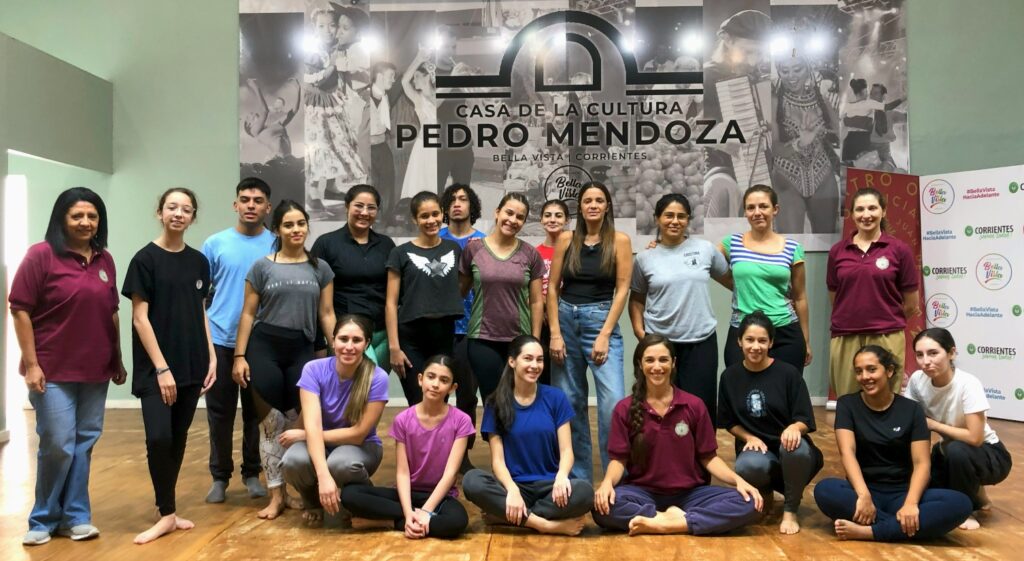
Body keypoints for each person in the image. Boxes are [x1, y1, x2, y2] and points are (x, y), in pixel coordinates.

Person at [11, 188, 126, 545]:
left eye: (92, 216)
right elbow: (19, 309)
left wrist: (118, 357)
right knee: (59, 442)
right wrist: (32, 365)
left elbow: (111, 312)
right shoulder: (41, 255)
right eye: (77, 215)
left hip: (96, 368)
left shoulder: (104, 259)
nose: (85, 222)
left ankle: (76, 517)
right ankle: (42, 519)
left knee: (83, 442)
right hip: (52, 369)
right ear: (61, 218)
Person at [592, 335, 762, 535]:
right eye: (650, 360)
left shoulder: (694, 405)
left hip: (690, 494)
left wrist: (738, 481)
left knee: (750, 502)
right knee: (600, 507)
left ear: (673, 363)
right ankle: (679, 519)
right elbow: (618, 460)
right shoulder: (624, 408)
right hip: (642, 493)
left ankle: (665, 523)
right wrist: (606, 483)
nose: (657, 367)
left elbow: (709, 458)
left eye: (663, 360)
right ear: (640, 364)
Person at [122, 188, 217, 544]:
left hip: (193, 362)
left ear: (193, 217)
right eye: (172, 207)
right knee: (159, 437)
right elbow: (140, 319)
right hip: (156, 368)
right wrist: (162, 369)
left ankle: (168, 511)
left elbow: (200, 311)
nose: (179, 214)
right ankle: (166, 513)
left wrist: (211, 356)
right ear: (160, 212)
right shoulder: (144, 259)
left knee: (178, 438)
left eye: (186, 209)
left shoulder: (199, 261)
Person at [232, 200, 336, 520]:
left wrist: (337, 351)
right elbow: (248, 314)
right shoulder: (261, 267)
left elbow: (327, 313)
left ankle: (299, 489)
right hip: (264, 347)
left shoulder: (320, 268)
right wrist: (239, 356)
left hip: (301, 349)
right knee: (270, 425)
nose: (296, 229)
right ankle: (277, 496)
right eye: (288, 225)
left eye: (301, 223)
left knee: (296, 423)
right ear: (277, 229)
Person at [814, 346, 973, 541]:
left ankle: (870, 531)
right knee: (824, 490)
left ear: (889, 371)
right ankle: (901, 527)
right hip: (863, 491)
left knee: (961, 503)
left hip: (903, 493)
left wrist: (911, 504)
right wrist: (864, 496)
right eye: (859, 371)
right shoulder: (848, 405)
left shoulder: (912, 409)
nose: (865, 377)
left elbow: (922, 463)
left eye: (872, 369)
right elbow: (848, 453)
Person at [463, 336, 594, 536]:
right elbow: (497, 461)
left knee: (584, 492)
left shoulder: (556, 398)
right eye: (528, 358)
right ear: (512, 361)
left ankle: (510, 517)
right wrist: (512, 490)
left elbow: (567, 451)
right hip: (513, 486)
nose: (535, 365)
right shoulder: (495, 403)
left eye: (539, 360)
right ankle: (543, 524)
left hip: (550, 486)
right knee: (472, 481)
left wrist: (562, 476)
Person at [547, 181, 633, 482]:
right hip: (565, 322)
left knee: (612, 403)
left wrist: (605, 334)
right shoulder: (566, 240)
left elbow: (622, 289)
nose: (593, 205)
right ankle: (579, 476)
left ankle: (615, 477)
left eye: (599, 200)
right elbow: (552, 289)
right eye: (587, 200)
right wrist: (555, 333)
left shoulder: (620, 241)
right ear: (580, 207)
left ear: (607, 206)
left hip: (600, 322)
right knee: (570, 401)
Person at [341, 355, 474, 538]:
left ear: (452, 388)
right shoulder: (403, 420)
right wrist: (408, 512)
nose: (435, 384)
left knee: (457, 521)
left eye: (444, 380)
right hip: (407, 493)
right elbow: (403, 473)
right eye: (431, 377)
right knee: (349, 494)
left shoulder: (461, 421)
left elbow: (450, 474)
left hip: (440, 496)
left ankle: (388, 522)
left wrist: (425, 511)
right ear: (420, 379)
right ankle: (410, 519)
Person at [201, 177, 275, 504]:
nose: (250, 205)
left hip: (260, 343)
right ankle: (219, 477)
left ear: (267, 207)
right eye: (245, 199)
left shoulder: (276, 244)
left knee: (255, 414)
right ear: (235, 204)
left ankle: (252, 473)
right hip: (220, 340)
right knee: (220, 413)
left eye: (258, 201)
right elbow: (200, 295)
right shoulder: (215, 244)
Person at [717, 312, 822, 535]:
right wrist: (749, 437)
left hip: (790, 449)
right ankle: (764, 492)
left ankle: (791, 509)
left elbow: (805, 418)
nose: (756, 346)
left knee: (794, 449)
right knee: (748, 466)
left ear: (771, 343)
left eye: (762, 340)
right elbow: (728, 421)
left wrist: (794, 428)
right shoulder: (729, 377)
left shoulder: (788, 374)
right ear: (739, 341)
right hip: (757, 450)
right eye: (750, 340)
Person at [281, 315, 389, 525]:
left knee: (340, 464)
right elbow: (312, 424)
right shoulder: (313, 369)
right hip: (320, 442)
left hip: (360, 447)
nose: (349, 346)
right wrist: (323, 477)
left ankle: (360, 500)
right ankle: (313, 502)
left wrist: (304, 435)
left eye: (356, 340)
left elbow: (358, 434)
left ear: (367, 344)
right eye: (343, 339)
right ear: (332, 341)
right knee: (292, 461)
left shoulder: (377, 377)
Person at [629, 194, 729, 419]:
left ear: (688, 219)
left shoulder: (705, 249)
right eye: (669, 215)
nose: (675, 221)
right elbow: (636, 299)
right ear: (657, 218)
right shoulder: (645, 257)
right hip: (660, 343)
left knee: (701, 407)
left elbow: (733, 281)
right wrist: (640, 333)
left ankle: (701, 444)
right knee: (659, 404)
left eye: (681, 216)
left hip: (701, 341)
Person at [906, 328, 1012, 530]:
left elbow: (975, 438)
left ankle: (964, 511)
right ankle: (978, 495)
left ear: (952, 353)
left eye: (933, 353)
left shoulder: (968, 383)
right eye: (920, 355)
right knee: (929, 489)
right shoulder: (917, 381)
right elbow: (912, 423)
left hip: (990, 454)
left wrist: (933, 425)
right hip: (948, 450)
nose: (925, 361)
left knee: (957, 450)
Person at [827, 187, 919, 397]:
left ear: (883, 211)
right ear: (852, 214)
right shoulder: (837, 251)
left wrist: (885, 319)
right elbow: (835, 297)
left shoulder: (899, 250)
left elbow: (911, 304)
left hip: (886, 335)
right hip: (845, 334)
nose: (866, 215)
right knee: (848, 399)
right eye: (860, 209)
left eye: (872, 208)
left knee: (885, 398)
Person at [459, 192, 544, 405]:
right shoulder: (473, 249)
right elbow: (459, 292)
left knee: (519, 400)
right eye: (509, 213)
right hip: (482, 339)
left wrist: (534, 340)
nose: (513, 220)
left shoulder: (531, 254)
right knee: (493, 400)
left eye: (520, 217)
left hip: (519, 340)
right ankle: (494, 429)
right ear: (497, 212)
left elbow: (536, 302)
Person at [721, 185, 810, 373]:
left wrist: (806, 341)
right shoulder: (731, 244)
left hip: (785, 331)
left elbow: (800, 297)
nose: (757, 212)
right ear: (745, 212)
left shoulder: (792, 248)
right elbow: (705, 262)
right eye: (751, 207)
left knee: (785, 387)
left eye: (763, 206)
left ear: (775, 209)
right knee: (739, 385)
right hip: (743, 330)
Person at [385, 191, 464, 404]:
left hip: (444, 336)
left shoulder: (454, 249)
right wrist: (394, 347)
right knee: (417, 400)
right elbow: (391, 303)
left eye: (435, 214)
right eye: (424, 216)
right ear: (414, 219)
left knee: (439, 400)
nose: (431, 220)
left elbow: (460, 286)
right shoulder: (400, 253)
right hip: (411, 338)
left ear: (443, 213)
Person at [312, 184, 396, 366]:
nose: (364, 212)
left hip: (382, 333)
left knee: (375, 382)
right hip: (348, 335)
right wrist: (333, 342)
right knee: (364, 380)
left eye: (371, 207)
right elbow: (317, 299)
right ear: (347, 206)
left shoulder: (387, 245)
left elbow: (395, 292)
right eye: (359, 206)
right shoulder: (326, 244)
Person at [701, 9, 772, 219]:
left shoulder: (761, 77)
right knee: (720, 189)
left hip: (767, 170)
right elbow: (684, 131)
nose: (753, 61)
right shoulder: (708, 76)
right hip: (723, 166)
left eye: (759, 53)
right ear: (727, 40)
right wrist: (717, 137)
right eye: (747, 51)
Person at [770, 53, 841, 234]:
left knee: (826, 242)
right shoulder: (775, 102)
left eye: (797, 69)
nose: (791, 76)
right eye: (785, 71)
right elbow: (774, 148)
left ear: (808, 68)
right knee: (789, 244)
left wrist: (829, 102)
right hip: (787, 178)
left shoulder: (822, 98)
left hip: (822, 175)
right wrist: (799, 143)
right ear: (779, 72)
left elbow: (842, 134)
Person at [303, 6, 365, 206]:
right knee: (320, 144)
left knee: (337, 142)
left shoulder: (337, 47)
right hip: (317, 103)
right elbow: (315, 80)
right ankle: (313, 192)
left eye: (332, 25)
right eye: (321, 26)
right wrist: (332, 66)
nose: (328, 31)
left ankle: (331, 187)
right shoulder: (314, 51)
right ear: (315, 28)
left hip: (332, 100)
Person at [536, 199, 569, 386]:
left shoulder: (572, 250)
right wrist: (544, 307)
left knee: (565, 373)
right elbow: (529, 288)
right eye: (547, 215)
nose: (553, 220)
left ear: (566, 220)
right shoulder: (535, 253)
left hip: (566, 317)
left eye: (558, 215)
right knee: (543, 371)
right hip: (542, 320)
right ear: (541, 220)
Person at [398, 48, 438, 200]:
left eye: (417, 77)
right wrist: (418, 59)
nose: (414, 81)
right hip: (423, 146)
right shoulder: (417, 98)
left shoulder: (441, 96)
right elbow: (404, 81)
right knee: (420, 184)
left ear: (427, 77)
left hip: (439, 147)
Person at [368, 63, 400, 220]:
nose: (393, 80)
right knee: (369, 184)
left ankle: (386, 217)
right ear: (380, 76)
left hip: (381, 146)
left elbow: (403, 81)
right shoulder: (362, 95)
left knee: (387, 181)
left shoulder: (387, 95)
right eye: (391, 76)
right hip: (365, 149)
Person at [243, 77, 300, 161]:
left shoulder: (275, 125)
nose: (253, 113)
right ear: (249, 125)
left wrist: (298, 89)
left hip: (289, 160)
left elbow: (294, 111)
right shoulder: (254, 132)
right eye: (248, 117)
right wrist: (256, 88)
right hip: (277, 161)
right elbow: (265, 111)